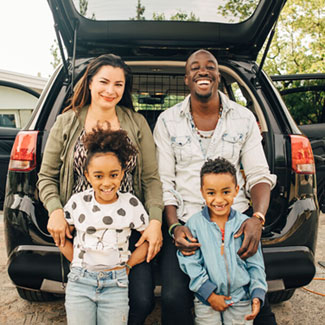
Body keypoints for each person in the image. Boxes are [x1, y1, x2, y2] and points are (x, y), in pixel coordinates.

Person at [153, 49, 277, 325]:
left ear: (218, 76)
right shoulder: (167, 121)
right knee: (173, 297)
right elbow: (164, 182)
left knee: (259, 300)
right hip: (187, 223)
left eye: (210, 66)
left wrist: (257, 219)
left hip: (235, 223)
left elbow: (258, 175)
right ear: (186, 78)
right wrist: (174, 227)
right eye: (195, 67)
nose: (203, 71)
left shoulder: (243, 118)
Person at [37, 53, 163, 324]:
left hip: (126, 229)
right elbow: (46, 176)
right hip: (80, 229)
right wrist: (56, 211)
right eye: (104, 82)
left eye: (118, 84)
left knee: (141, 300)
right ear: (90, 82)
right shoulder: (67, 121)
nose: (110, 90)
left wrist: (154, 221)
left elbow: (152, 178)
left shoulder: (136, 123)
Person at [60, 124, 149, 324]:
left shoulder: (131, 204)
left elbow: (147, 240)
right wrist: (77, 263)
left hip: (116, 283)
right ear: (87, 175)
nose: (107, 183)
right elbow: (62, 236)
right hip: (80, 282)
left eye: (114, 175)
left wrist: (128, 265)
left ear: (123, 172)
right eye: (99, 176)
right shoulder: (77, 202)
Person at [177, 157, 267, 325]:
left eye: (226, 192)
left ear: (236, 190)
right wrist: (209, 294)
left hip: (241, 299)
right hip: (206, 302)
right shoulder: (194, 225)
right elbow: (190, 262)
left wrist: (257, 293)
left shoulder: (244, 224)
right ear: (202, 192)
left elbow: (256, 264)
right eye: (211, 193)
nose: (218, 200)